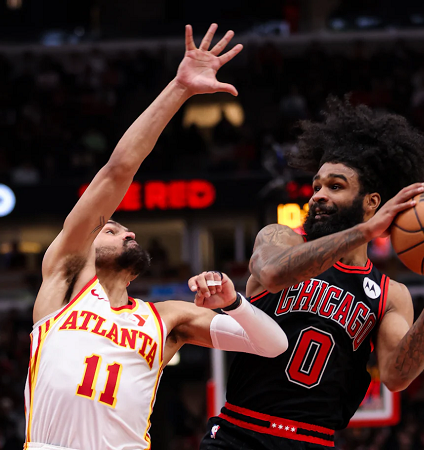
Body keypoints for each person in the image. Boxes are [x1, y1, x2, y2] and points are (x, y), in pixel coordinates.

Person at [24, 24, 288, 450]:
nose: (126, 230)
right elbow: (117, 171)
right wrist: (179, 89)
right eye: (110, 229)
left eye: (126, 229)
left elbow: (274, 347)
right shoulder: (68, 280)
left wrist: (234, 303)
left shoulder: (167, 318)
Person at [201, 98, 424, 449]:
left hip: (315, 441)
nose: (318, 195)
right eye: (317, 186)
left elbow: (397, 376)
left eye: (335, 186)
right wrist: (366, 231)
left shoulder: (388, 293)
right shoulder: (280, 237)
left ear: (371, 202)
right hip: (240, 433)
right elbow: (273, 273)